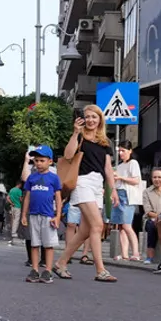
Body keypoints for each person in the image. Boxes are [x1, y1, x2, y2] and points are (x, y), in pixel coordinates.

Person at [56, 106, 120, 282]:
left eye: (94, 117)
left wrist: (112, 189)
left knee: (85, 230)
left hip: (97, 184)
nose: (91, 120)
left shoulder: (105, 142)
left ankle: (61, 263)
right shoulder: (80, 136)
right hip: (82, 181)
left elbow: (108, 168)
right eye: (88, 117)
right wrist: (76, 133)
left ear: (100, 120)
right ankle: (100, 270)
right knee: (98, 225)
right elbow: (68, 155)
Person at [21, 145, 62, 284]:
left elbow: (58, 198)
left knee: (48, 244)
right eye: (36, 160)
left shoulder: (54, 178)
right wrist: (23, 215)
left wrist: (58, 216)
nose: (38, 163)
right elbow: (27, 197)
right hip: (33, 215)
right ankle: (35, 270)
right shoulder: (31, 178)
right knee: (34, 243)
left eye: (42, 160)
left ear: (50, 162)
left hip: (48, 215)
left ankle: (48, 271)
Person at [113, 140, 143, 263]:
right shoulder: (119, 166)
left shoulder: (133, 163)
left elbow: (136, 180)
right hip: (119, 194)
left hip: (128, 195)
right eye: (119, 151)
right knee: (121, 226)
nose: (121, 153)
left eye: (123, 151)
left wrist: (121, 178)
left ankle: (136, 252)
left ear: (130, 151)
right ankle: (124, 253)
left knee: (127, 225)